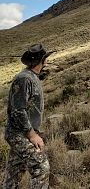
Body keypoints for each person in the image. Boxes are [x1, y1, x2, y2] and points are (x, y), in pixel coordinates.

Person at [2, 44, 51, 189]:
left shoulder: (30, 77)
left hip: (20, 133)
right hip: (19, 133)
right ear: (41, 61)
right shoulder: (24, 79)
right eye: (45, 59)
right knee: (41, 167)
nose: (47, 62)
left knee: (15, 172)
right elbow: (18, 110)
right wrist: (32, 134)